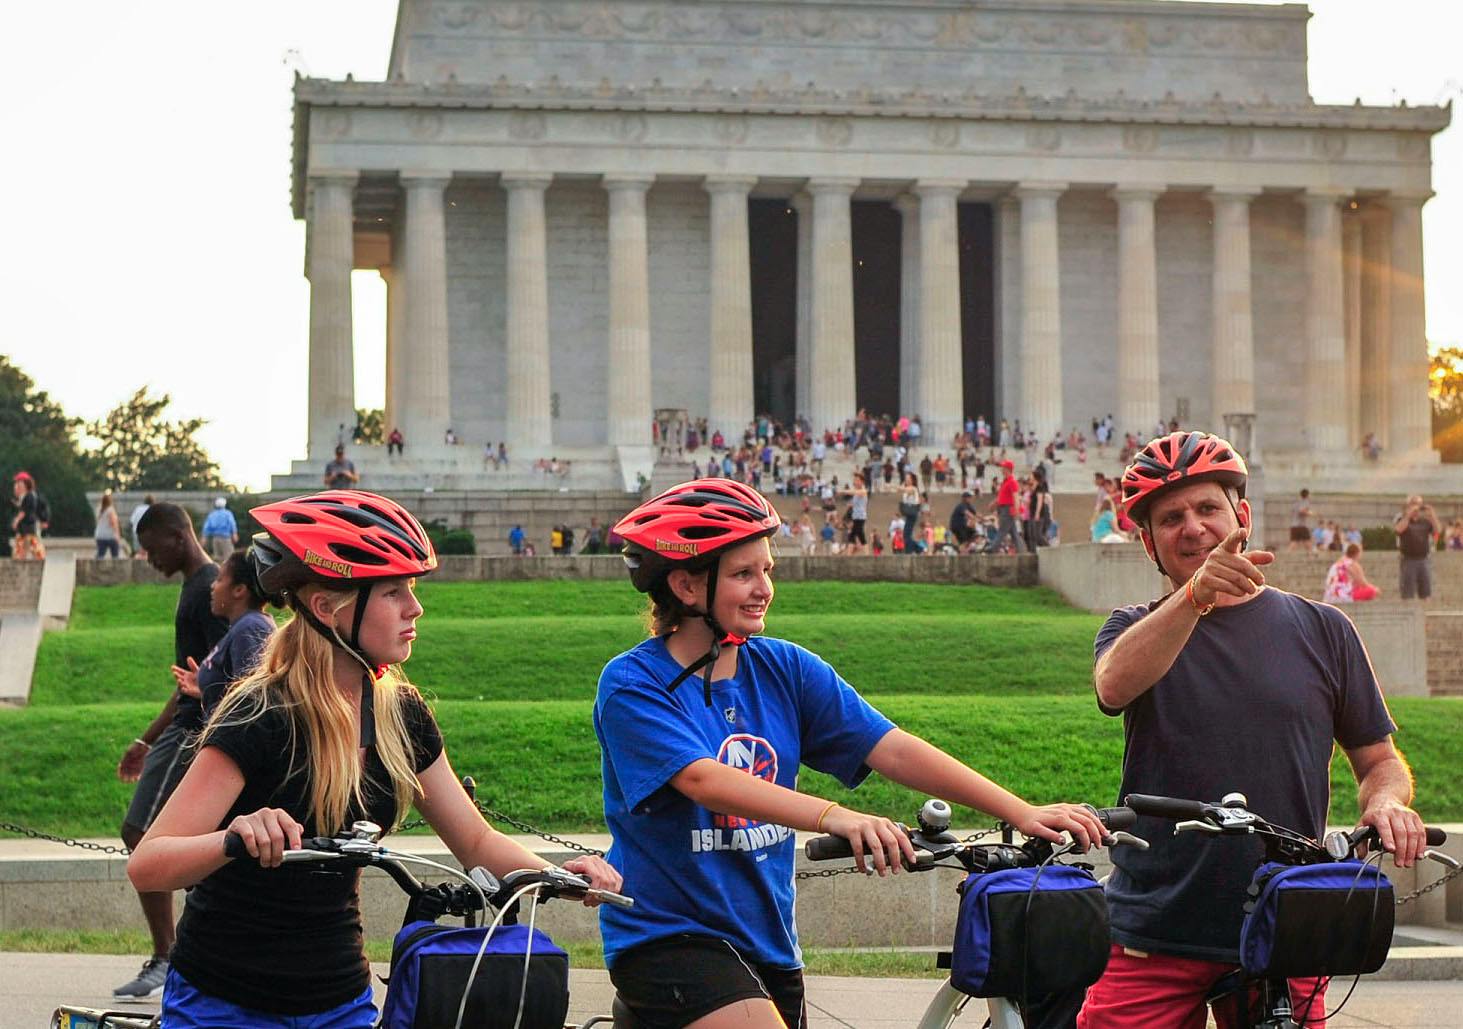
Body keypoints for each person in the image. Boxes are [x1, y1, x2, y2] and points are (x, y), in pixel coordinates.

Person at [596, 479, 1107, 1029]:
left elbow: (893, 748)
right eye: (744, 573)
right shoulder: (634, 684)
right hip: (669, 938)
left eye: (767, 569)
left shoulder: (785, 668)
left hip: (768, 944)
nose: (764, 587)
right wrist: (834, 815)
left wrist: (1020, 810)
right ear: (687, 586)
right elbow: (703, 781)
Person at [127, 490, 620, 1025]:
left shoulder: (400, 715)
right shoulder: (261, 715)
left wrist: (563, 878)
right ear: (326, 608)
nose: (416, 607)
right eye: (392, 591)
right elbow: (150, 865)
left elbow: (476, 841)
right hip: (223, 1001)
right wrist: (235, 836)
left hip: (340, 999)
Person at [1078, 431, 1428, 1029]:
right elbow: (1113, 685)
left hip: (1284, 920)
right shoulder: (1133, 627)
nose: (1192, 528)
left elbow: (1379, 761)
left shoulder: (1324, 629)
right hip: (1156, 923)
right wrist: (1194, 597)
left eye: (1208, 508)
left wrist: (1388, 804)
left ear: (1240, 516)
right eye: (1171, 519)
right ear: (1148, 544)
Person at [114, 503, 231, 998]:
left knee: (141, 833)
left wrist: (161, 738)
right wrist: (146, 738)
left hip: (194, 731)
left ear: (179, 535)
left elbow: (215, 680)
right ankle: (183, 954)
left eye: (150, 545)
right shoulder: (196, 587)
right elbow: (190, 678)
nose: (147, 557)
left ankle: (170, 956)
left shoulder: (207, 590)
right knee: (165, 842)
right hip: (183, 728)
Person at [171, 549, 278, 717]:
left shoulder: (250, 628)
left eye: (219, 579)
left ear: (239, 590)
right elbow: (235, 694)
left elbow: (250, 703)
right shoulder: (243, 627)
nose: (212, 586)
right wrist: (207, 687)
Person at [1395, 494, 1440, 601]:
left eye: (1419, 504)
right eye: (1414, 504)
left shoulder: (1425, 521)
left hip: (1423, 559)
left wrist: (1432, 515)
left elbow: (1437, 531)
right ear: (1408, 505)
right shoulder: (1402, 519)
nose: (1417, 507)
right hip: (1408, 559)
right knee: (1407, 592)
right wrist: (1408, 515)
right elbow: (1398, 530)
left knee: (1426, 592)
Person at [988, 459, 1023, 553]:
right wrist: (994, 504)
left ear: (1008, 469)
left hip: (1007, 509)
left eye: (1003, 467)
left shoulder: (1012, 482)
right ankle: (1022, 550)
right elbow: (1001, 497)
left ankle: (992, 548)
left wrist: (1016, 510)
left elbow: (1016, 497)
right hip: (1003, 508)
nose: (1001, 469)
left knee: (1002, 530)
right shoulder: (1005, 482)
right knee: (1014, 533)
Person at [10, 471, 46, 560]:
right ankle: (19, 557)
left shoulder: (29, 495)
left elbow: (24, 511)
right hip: (26, 524)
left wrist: (16, 521)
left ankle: (39, 557)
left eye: (19, 482)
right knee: (23, 542)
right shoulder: (28, 495)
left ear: (26, 483)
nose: (17, 485)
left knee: (32, 542)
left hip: (28, 524)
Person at [200, 498, 238, 562]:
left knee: (217, 558)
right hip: (226, 538)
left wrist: (204, 538)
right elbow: (232, 524)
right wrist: (234, 534)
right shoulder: (228, 514)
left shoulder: (212, 514)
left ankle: (219, 571)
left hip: (215, 539)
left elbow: (206, 527)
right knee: (229, 558)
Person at [94, 489, 122, 559]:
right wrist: (117, 535)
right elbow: (113, 523)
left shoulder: (99, 510)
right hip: (110, 536)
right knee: (115, 555)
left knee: (100, 555)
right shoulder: (110, 510)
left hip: (99, 535)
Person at [1287, 488, 1314, 552]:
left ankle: (1288, 553)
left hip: (1294, 525)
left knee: (1294, 541)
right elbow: (1301, 511)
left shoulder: (1296, 502)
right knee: (1307, 540)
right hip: (1301, 525)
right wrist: (1310, 513)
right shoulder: (1305, 501)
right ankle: (1312, 554)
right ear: (1307, 495)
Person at [130, 494, 154, 560]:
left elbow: (132, 521)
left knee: (138, 552)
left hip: (136, 532)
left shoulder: (138, 508)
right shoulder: (152, 509)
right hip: (147, 533)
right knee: (146, 552)